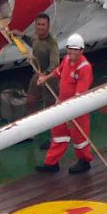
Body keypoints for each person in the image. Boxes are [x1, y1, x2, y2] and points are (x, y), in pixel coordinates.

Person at [36, 33, 94, 174]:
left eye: (76, 49)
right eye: (70, 49)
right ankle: (51, 163)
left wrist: (71, 115)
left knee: (79, 139)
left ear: (81, 50)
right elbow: (59, 71)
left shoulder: (85, 68)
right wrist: (46, 78)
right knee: (58, 134)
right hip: (63, 106)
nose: (72, 52)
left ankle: (84, 161)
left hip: (76, 110)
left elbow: (79, 95)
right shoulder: (67, 59)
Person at [23, 13, 60, 147]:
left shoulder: (52, 44)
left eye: (43, 25)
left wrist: (46, 75)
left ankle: (54, 139)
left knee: (50, 109)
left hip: (50, 78)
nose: (40, 27)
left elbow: (55, 64)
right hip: (37, 75)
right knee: (30, 102)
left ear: (48, 26)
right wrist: (19, 35)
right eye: (38, 24)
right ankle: (30, 133)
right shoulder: (35, 37)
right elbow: (30, 41)